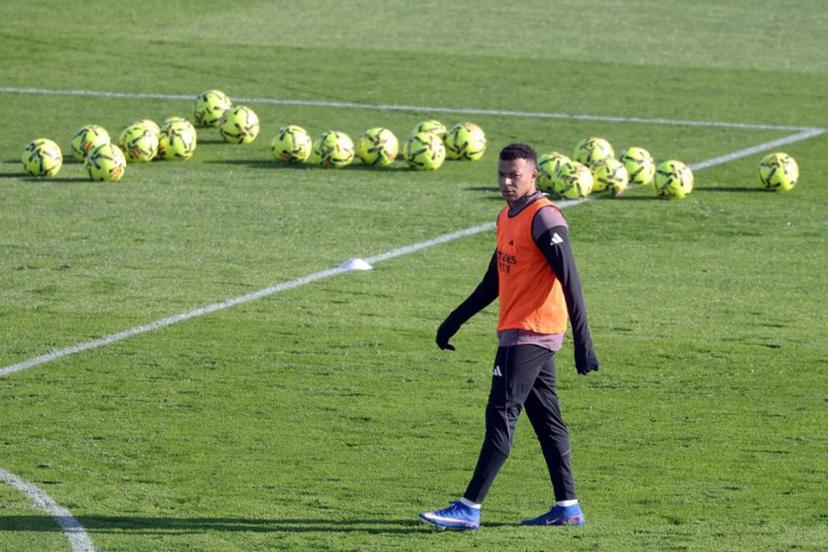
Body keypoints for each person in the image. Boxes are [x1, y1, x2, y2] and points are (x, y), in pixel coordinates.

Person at [418, 143, 599, 531]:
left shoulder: (545, 218)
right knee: (547, 420)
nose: (505, 182)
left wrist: (584, 343)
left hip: (530, 335)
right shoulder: (507, 217)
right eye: (501, 174)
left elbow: (571, 281)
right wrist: (453, 320)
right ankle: (567, 507)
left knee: (500, 415)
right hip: (524, 333)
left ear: (533, 176)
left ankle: (469, 507)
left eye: (514, 175)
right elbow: (492, 282)